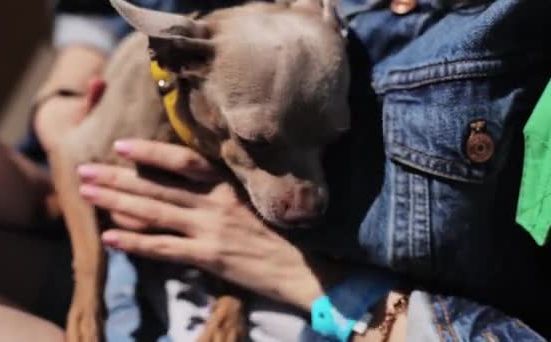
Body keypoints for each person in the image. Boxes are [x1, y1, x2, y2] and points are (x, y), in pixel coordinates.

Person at [72, 0, 551, 340]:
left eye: (329, 139)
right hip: (121, 256)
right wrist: (60, 96)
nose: (306, 195)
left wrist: (318, 285)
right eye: (259, 141)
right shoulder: (210, 55)